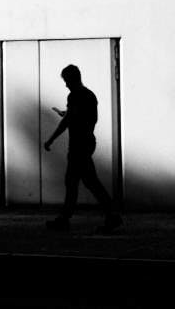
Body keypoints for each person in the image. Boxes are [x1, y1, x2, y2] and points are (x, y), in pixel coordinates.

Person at [43, 64, 123, 232]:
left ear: (72, 79)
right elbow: (86, 117)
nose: (65, 84)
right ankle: (69, 218)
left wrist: (50, 140)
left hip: (78, 145)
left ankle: (110, 216)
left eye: (66, 81)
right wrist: (68, 113)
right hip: (87, 142)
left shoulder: (74, 96)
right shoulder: (89, 96)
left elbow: (68, 122)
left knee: (81, 182)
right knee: (81, 181)